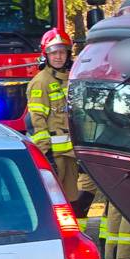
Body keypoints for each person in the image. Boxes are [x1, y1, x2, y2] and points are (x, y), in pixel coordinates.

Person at [27, 28, 79, 202]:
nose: (58, 57)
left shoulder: (71, 78)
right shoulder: (41, 82)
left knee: (71, 198)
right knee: (53, 200)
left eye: (62, 52)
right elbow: (36, 120)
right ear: (46, 55)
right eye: (54, 52)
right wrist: (45, 153)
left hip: (70, 154)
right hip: (54, 155)